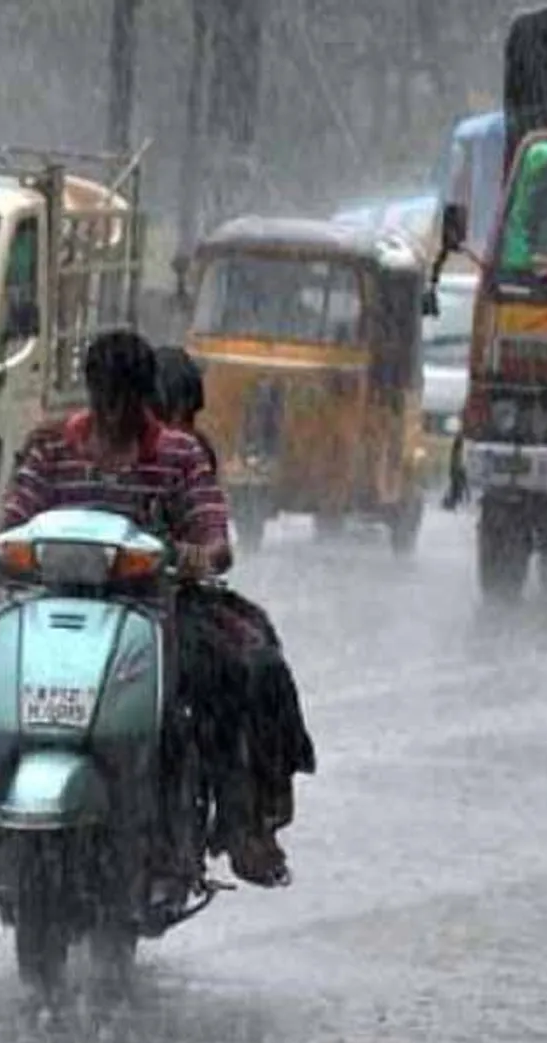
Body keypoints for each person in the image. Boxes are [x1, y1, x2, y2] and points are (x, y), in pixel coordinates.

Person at [0, 329, 289, 887]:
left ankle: (215, 825)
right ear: (91, 392)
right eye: (104, 397)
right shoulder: (53, 447)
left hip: (149, 617)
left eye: (125, 399)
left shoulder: (178, 456)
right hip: (51, 612)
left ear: (143, 398)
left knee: (204, 689)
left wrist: (198, 554)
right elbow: (17, 516)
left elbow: (211, 534)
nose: (113, 414)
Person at [152, 345, 316, 874]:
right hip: (99, 604)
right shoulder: (81, 448)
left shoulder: (189, 455)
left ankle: (248, 815)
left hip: (175, 601)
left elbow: (211, 535)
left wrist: (193, 555)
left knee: (254, 660)